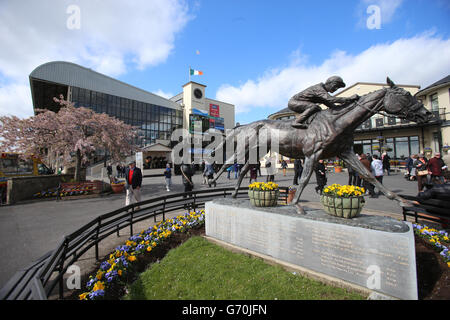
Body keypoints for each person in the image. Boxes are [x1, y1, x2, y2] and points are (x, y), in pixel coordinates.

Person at [287, 76, 359, 129]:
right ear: (330, 83)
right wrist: (349, 99)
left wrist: (349, 106)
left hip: (301, 102)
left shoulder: (323, 95)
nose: (336, 89)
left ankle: (310, 123)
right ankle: (297, 122)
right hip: (294, 102)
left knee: (319, 110)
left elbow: (332, 106)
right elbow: (331, 99)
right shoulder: (318, 89)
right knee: (314, 107)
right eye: (335, 86)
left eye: (338, 88)